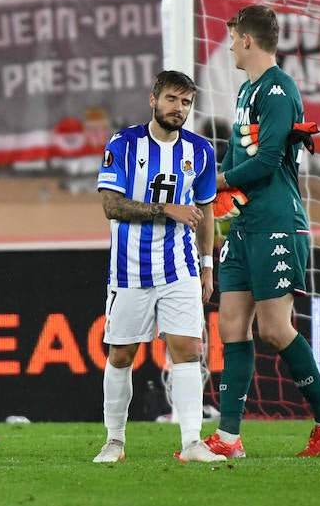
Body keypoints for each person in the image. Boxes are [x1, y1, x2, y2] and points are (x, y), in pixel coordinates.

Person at [204, 4, 320, 459]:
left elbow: (268, 160)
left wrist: (219, 183)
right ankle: (228, 437)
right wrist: (220, 187)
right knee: (231, 324)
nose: (230, 45)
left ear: (247, 39)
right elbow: (235, 154)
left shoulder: (279, 89)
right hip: (245, 226)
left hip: (277, 224)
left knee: (273, 328)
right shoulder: (247, 90)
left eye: (233, 37)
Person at [92, 70, 222, 464]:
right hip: (130, 269)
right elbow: (111, 206)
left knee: (188, 349)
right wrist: (167, 209)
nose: (178, 108)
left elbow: (205, 211)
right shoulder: (124, 144)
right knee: (121, 355)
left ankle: (192, 443)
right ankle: (114, 441)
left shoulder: (200, 151)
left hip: (180, 267)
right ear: (153, 100)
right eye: (171, 99)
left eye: (185, 102)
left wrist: (207, 265)